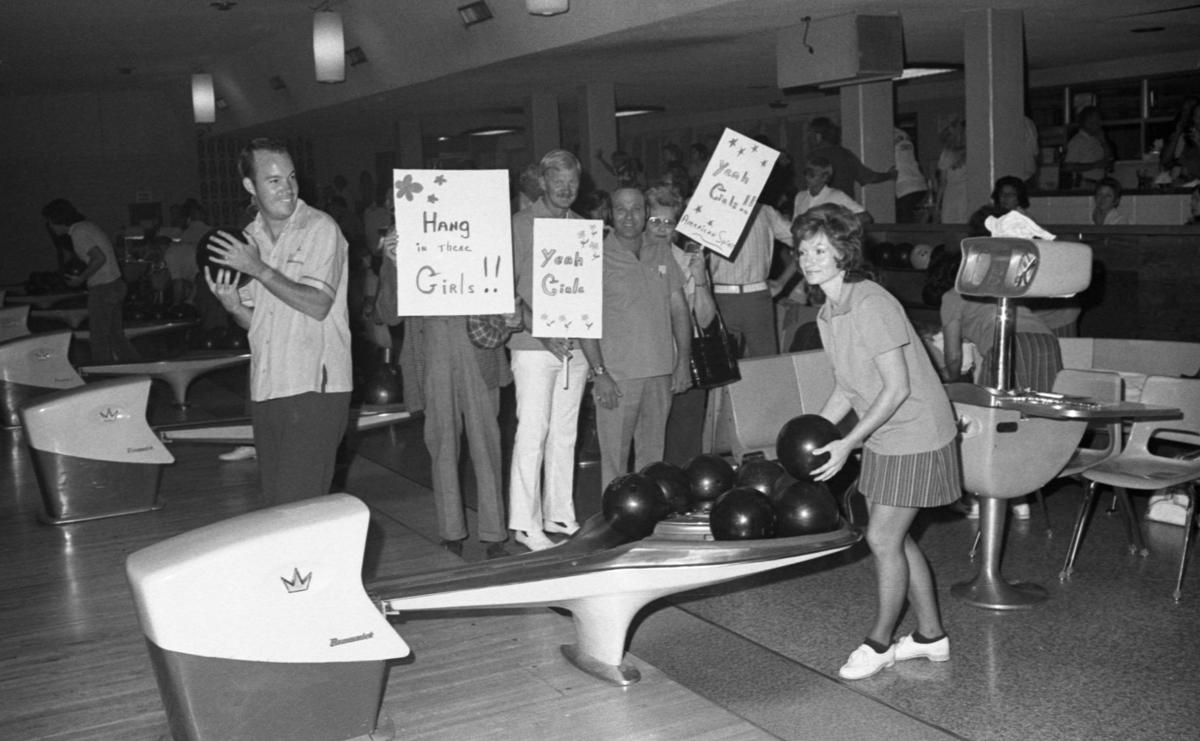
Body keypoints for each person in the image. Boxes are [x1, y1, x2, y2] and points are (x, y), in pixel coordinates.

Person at [795, 203, 960, 681]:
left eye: (820, 249)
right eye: (804, 250)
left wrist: (845, 443)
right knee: (896, 537)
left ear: (844, 252)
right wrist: (813, 435)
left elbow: (896, 387)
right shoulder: (829, 311)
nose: (809, 259)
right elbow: (849, 385)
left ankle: (880, 642)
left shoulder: (869, 302)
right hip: (889, 434)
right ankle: (931, 637)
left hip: (917, 433)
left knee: (882, 536)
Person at [204, 138, 351, 506]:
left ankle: (312, 565)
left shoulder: (320, 228)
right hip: (268, 387)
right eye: (273, 180)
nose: (287, 187)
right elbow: (259, 322)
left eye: (290, 177)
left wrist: (258, 269)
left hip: (315, 387)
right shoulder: (248, 241)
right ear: (250, 186)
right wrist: (234, 305)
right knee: (277, 504)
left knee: (297, 503)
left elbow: (318, 304)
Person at [375, 228, 512, 559]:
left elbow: (505, 297)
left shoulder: (481, 237)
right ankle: (451, 531)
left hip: (476, 349)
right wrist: (391, 262)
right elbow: (388, 313)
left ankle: (494, 534)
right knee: (441, 443)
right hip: (431, 346)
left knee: (486, 442)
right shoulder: (404, 248)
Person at [930, 248, 1061, 521]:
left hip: (1010, 346)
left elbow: (953, 356)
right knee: (1027, 423)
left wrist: (953, 387)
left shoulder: (952, 296)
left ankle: (986, 501)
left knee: (992, 428)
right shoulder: (994, 289)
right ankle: (1020, 500)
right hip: (1047, 345)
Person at [580, 187, 692, 488]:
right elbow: (583, 321)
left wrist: (683, 362)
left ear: (646, 213)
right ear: (610, 214)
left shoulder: (661, 251)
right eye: (621, 209)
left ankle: (648, 522)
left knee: (653, 462)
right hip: (617, 377)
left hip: (659, 373)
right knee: (614, 464)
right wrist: (599, 373)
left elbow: (680, 310)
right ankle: (614, 524)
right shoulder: (594, 255)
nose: (629, 216)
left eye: (636, 209)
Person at [506, 149, 590, 551]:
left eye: (572, 182)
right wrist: (543, 332)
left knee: (565, 433)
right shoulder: (519, 226)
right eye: (558, 182)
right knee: (532, 431)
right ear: (543, 183)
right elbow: (505, 292)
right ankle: (524, 521)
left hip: (575, 346)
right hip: (533, 346)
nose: (566, 189)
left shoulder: (583, 228)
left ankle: (559, 512)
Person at [652, 186, 715, 466]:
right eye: (656, 221)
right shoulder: (628, 258)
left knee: (685, 450)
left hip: (683, 363)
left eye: (669, 223)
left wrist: (700, 279)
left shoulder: (688, 262)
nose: (662, 229)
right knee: (650, 449)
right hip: (643, 367)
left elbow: (705, 320)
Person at [41, 198, 140, 363]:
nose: (50, 227)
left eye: (50, 222)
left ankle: (103, 377)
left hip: (104, 288)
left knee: (99, 336)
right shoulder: (86, 226)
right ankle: (136, 368)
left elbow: (98, 258)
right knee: (116, 335)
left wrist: (81, 278)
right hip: (116, 284)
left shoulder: (78, 232)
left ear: (57, 220)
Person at [711, 199, 790, 359]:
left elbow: (802, 239)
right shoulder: (707, 206)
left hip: (756, 297)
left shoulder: (764, 211)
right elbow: (689, 251)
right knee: (721, 364)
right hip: (719, 298)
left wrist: (783, 281)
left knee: (766, 363)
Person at [806, 116, 896, 197]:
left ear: (818, 136)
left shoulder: (812, 158)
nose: (807, 138)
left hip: (821, 209)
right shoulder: (845, 154)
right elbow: (868, 176)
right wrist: (890, 175)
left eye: (809, 134)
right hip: (844, 209)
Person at [1063, 106, 1113, 190]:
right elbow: (1068, 166)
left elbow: (1109, 159)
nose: (1100, 123)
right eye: (1097, 120)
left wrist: (1104, 142)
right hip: (1085, 184)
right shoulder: (1077, 141)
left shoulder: (1097, 139)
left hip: (1099, 183)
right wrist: (1095, 165)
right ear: (1087, 122)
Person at [936, 117, 968, 224]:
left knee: (951, 226)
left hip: (953, 197)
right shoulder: (972, 152)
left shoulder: (946, 154)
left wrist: (937, 205)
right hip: (962, 196)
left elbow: (942, 183)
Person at [893, 128, 929, 224]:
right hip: (919, 183)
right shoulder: (904, 135)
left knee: (905, 223)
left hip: (904, 186)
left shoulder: (887, 133)